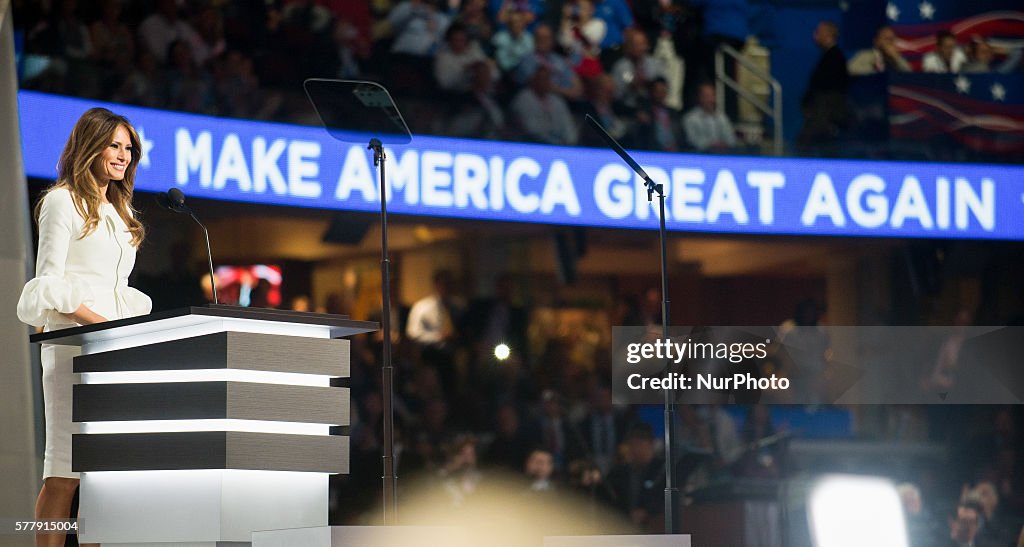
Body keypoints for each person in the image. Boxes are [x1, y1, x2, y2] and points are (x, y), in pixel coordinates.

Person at [17, 107, 152, 547]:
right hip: (72, 346)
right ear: (91, 145)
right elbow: (48, 282)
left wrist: (123, 331)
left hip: (114, 348)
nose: (123, 156)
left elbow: (119, 288)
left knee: (102, 474)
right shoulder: (61, 202)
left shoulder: (119, 210)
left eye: (129, 148)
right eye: (114, 145)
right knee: (65, 473)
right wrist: (98, 322)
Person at [797, 20, 849, 150]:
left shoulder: (835, 57)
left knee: (809, 142)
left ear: (828, 35)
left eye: (818, 32)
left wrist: (826, 114)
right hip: (820, 110)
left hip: (826, 111)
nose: (815, 36)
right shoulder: (828, 56)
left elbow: (830, 87)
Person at [683, 81, 738, 152]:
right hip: (700, 156)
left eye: (712, 95)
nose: (710, 99)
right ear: (699, 97)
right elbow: (692, 141)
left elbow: (731, 140)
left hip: (723, 155)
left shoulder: (722, 117)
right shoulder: (690, 118)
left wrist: (723, 145)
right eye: (706, 96)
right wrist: (711, 145)